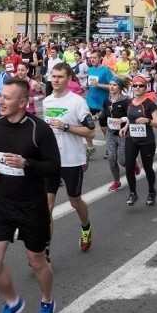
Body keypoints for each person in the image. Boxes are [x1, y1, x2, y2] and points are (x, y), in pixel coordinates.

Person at [0, 79, 61, 313]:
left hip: (31, 205)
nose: (0, 100)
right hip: (2, 203)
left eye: (6, 97)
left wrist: (26, 163)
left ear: (22, 102)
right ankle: (12, 302)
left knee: (37, 260)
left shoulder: (39, 129)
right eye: (0, 96)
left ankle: (47, 301)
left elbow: (53, 167)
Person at [43, 63, 96, 253]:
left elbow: (91, 132)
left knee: (75, 201)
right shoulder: (47, 101)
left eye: (60, 77)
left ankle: (86, 226)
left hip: (72, 160)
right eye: (53, 76)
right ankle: (45, 252)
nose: (55, 80)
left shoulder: (77, 102)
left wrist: (66, 126)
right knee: (46, 207)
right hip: (51, 161)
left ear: (69, 79)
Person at [119, 75, 157, 206]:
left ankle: (151, 192)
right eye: (135, 85)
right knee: (129, 166)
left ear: (145, 88)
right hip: (131, 139)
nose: (137, 88)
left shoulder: (150, 104)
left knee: (148, 168)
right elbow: (130, 118)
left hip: (146, 141)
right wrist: (125, 128)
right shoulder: (129, 102)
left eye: (141, 85)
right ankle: (133, 193)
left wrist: (147, 120)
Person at [85, 50, 113, 158]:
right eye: (91, 58)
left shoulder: (105, 71)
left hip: (102, 104)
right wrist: (85, 87)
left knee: (104, 128)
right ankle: (90, 147)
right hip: (90, 102)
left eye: (94, 58)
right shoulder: (90, 70)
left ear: (100, 58)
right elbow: (89, 84)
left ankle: (109, 148)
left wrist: (99, 85)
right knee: (87, 126)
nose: (92, 60)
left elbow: (112, 86)